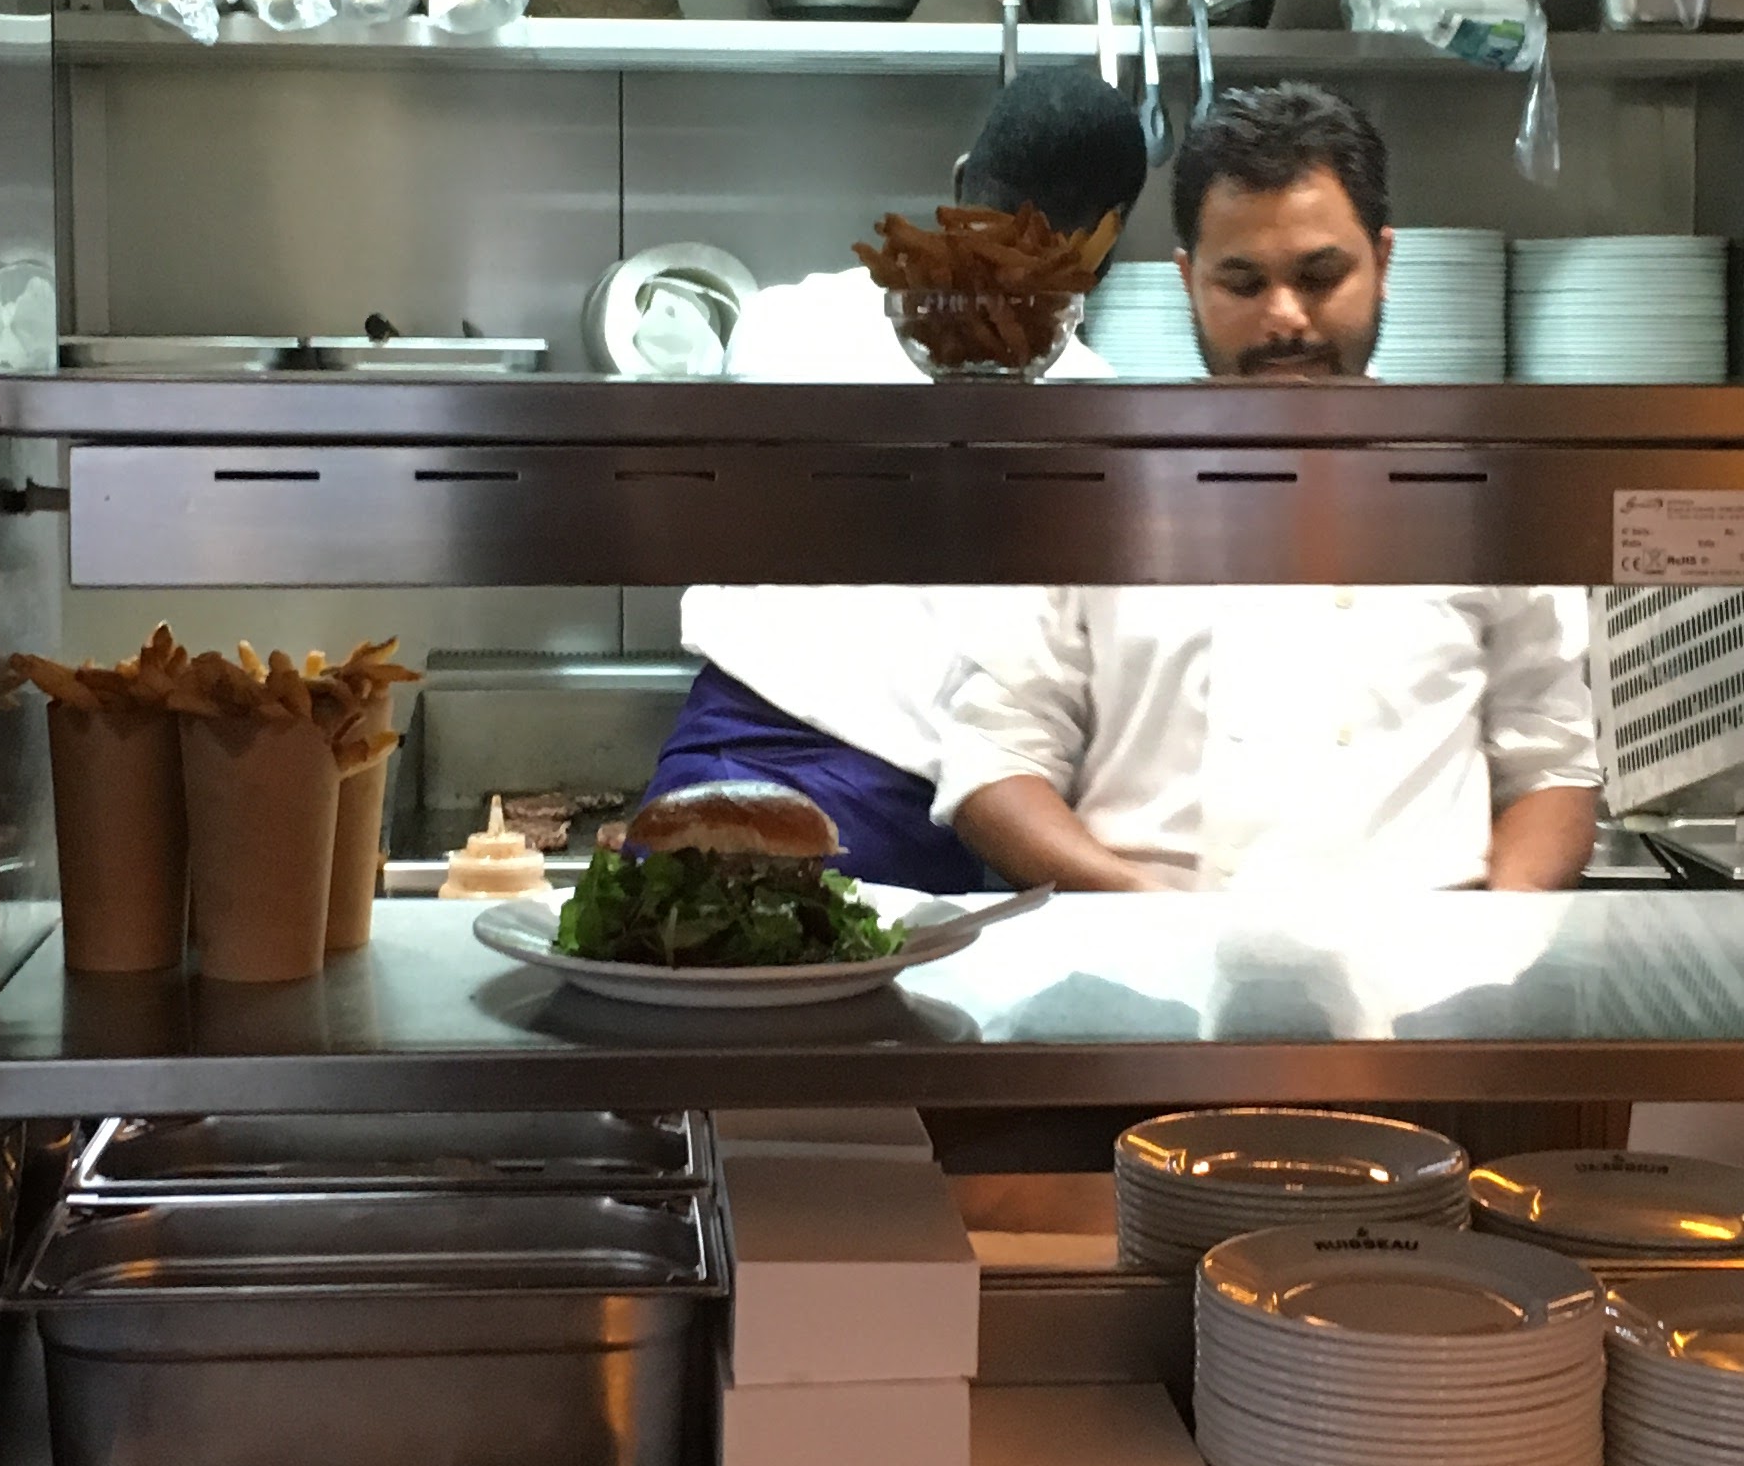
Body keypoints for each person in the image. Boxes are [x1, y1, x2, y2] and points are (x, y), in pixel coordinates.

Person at [932, 82, 1602, 898]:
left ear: (1383, 263)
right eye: (1243, 283)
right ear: (1187, 280)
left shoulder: (1482, 484)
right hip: (1150, 958)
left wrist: (1489, 941)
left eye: (1320, 276)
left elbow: (1552, 766)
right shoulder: (1086, 481)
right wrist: (1153, 922)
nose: (1285, 317)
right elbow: (995, 760)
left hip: (1426, 958)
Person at [644, 65, 1153, 893]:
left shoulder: (782, 320)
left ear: (959, 181)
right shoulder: (1103, 419)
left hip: (716, 776)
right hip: (914, 825)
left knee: (668, 952)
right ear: (1109, 236)